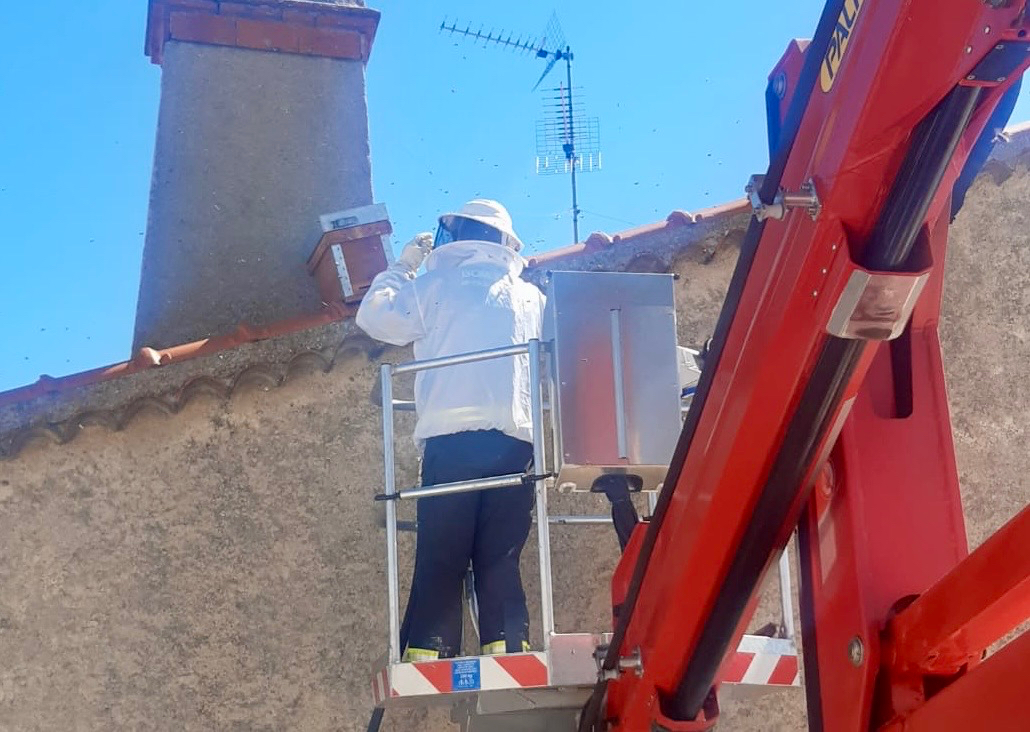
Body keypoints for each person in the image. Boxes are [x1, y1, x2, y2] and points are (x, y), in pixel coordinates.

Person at [356, 199, 547, 661]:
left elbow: (374, 317)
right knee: (501, 558)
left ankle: (429, 653)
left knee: (443, 554)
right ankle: (508, 650)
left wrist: (403, 265)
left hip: (451, 444)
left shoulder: (434, 285)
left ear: (454, 236)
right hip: (517, 446)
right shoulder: (531, 298)